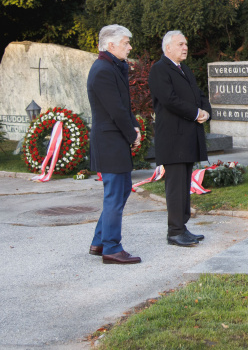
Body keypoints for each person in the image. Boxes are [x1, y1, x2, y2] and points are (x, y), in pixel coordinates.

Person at [148, 31, 211, 247]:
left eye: (186, 44)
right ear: (168, 48)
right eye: (181, 44)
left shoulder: (183, 69)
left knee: (184, 185)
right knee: (175, 186)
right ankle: (174, 231)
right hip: (173, 139)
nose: (185, 48)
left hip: (186, 138)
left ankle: (181, 227)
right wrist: (195, 113)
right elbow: (169, 100)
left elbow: (199, 94)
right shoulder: (159, 69)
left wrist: (206, 111)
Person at [88, 25, 142, 264]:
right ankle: (111, 247)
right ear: (111, 45)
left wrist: (135, 127)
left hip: (115, 139)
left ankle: (100, 241)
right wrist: (132, 135)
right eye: (126, 43)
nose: (129, 47)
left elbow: (124, 105)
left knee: (120, 190)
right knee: (115, 193)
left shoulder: (112, 67)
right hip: (109, 141)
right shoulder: (102, 70)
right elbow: (115, 109)